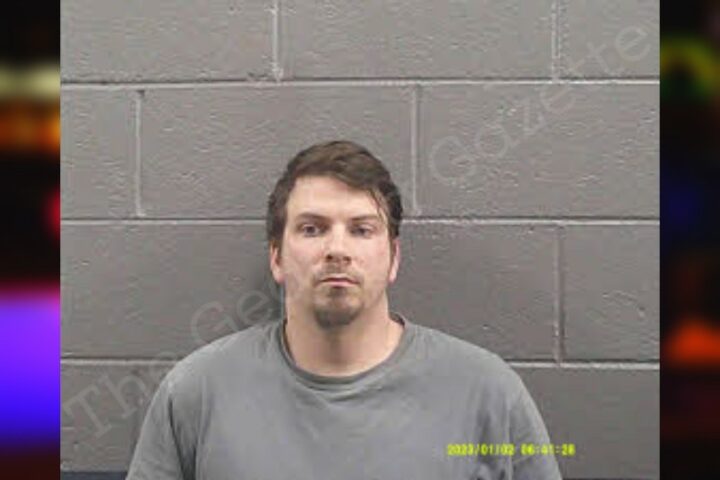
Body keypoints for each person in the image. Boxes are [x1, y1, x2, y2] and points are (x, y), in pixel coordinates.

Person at [126, 140, 563, 480]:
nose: (337, 249)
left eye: (361, 230)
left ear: (393, 258)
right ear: (276, 257)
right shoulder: (198, 393)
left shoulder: (488, 394)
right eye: (312, 229)